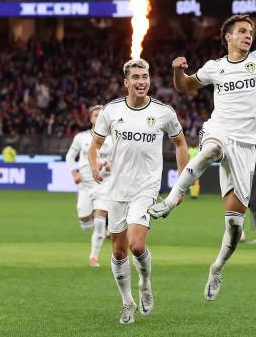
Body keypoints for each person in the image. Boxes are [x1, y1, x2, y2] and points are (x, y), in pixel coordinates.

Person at [149, 6, 256, 301]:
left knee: (235, 226)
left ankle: (217, 267)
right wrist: (177, 71)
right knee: (210, 148)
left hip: (246, 147)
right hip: (219, 130)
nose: (248, 36)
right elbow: (185, 86)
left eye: (251, 32)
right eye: (242, 32)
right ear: (227, 37)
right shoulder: (215, 67)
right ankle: (171, 199)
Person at [89, 58, 188, 325]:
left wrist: (181, 185)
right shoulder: (110, 111)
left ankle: (145, 283)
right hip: (117, 190)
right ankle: (127, 302)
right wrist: (94, 166)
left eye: (145, 76)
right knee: (119, 252)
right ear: (126, 82)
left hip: (146, 188)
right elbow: (94, 145)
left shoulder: (164, 112)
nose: (141, 81)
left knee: (136, 244)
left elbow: (180, 144)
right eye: (136, 77)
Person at [66, 105, 112, 267]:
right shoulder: (81, 137)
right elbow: (70, 157)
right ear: (91, 118)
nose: (98, 118)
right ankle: (90, 219)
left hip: (104, 183)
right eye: (95, 115)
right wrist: (74, 174)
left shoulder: (113, 139)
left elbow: (119, 163)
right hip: (85, 184)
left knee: (100, 223)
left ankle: (94, 257)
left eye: (101, 115)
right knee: (85, 222)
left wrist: (108, 166)